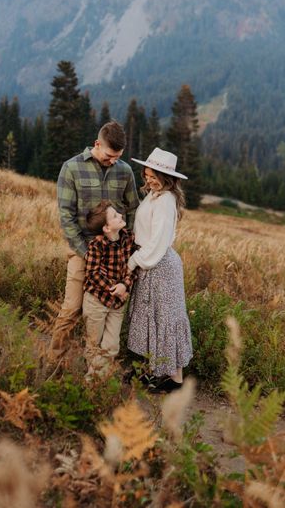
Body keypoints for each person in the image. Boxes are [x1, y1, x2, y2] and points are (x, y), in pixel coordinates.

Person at [49, 121, 139, 360]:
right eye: (110, 155)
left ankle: (98, 369)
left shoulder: (125, 172)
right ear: (97, 144)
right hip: (83, 251)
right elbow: (66, 217)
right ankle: (53, 366)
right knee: (71, 309)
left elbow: (132, 211)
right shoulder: (71, 168)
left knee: (111, 310)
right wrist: (87, 252)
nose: (113, 160)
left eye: (118, 156)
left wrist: (126, 248)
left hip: (115, 255)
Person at [126, 147, 193, 393]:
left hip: (158, 264)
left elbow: (157, 242)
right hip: (150, 262)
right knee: (152, 318)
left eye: (153, 176)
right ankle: (151, 373)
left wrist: (134, 260)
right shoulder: (155, 195)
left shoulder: (165, 200)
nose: (149, 180)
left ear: (167, 178)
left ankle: (173, 381)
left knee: (166, 320)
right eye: (146, 175)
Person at [82, 200, 137, 378]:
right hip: (96, 300)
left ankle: (94, 381)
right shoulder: (97, 245)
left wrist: (125, 285)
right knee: (93, 343)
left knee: (112, 346)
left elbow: (131, 267)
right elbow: (92, 272)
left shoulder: (128, 238)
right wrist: (114, 287)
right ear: (106, 228)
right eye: (115, 216)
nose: (121, 215)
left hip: (117, 302)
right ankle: (92, 380)